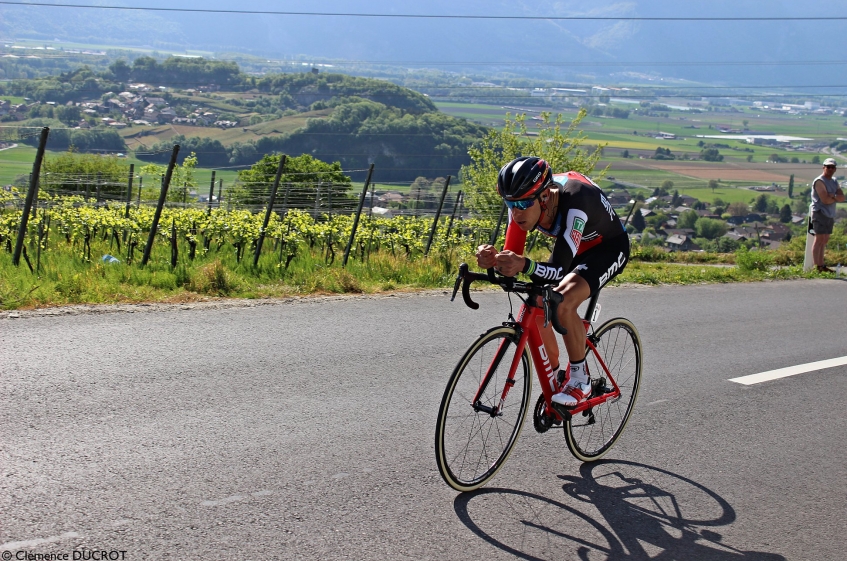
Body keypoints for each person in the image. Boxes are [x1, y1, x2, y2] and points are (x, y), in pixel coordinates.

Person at [476, 156, 630, 409]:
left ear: (545, 196)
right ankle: (559, 377)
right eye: (509, 204)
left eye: (524, 204)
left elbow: (557, 270)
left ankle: (581, 380)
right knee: (538, 302)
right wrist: (493, 259)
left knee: (563, 301)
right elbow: (510, 263)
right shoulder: (521, 201)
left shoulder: (576, 201)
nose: (516, 212)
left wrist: (524, 264)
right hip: (574, 247)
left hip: (608, 248)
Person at [811, 158, 845, 273]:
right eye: (828, 166)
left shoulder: (834, 181)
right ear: (823, 167)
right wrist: (834, 197)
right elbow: (825, 200)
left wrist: (833, 196)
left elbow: (842, 197)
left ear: (835, 169)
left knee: (825, 239)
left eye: (832, 167)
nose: (830, 169)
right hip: (820, 212)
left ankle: (822, 265)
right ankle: (817, 267)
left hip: (830, 214)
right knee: (819, 239)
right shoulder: (819, 181)